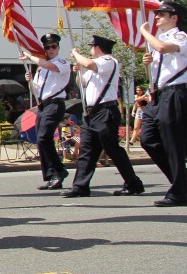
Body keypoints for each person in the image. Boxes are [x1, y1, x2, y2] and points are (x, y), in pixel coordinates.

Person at [62, 35, 145, 199]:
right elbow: (82, 84)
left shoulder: (108, 61)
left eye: (92, 47)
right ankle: (80, 187)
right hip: (91, 113)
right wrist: (78, 72)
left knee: (111, 148)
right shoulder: (95, 67)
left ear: (98, 47)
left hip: (105, 111)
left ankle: (133, 183)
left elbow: (89, 64)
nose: (91, 50)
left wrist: (75, 54)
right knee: (86, 150)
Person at [138, 0, 187, 206]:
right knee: (147, 139)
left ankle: (179, 192)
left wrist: (144, 32)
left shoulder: (180, 36)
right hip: (158, 95)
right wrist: (148, 63)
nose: (156, 17)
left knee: (173, 144)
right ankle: (182, 184)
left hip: (175, 92)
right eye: (156, 14)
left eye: (162, 14)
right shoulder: (159, 40)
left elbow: (163, 47)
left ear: (174, 18)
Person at [20, 33, 72, 190]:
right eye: (47, 47)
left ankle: (59, 171)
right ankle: (52, 175)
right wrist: (29, 81)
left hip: (55, 104)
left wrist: (31, 57)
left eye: (53, 46)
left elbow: (51, 67)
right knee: (41, 139)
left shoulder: (62, 62)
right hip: (43, 105)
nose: (51, 49)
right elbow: (35, 90)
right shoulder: (41, 69)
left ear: (58, 48)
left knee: (44, 137)